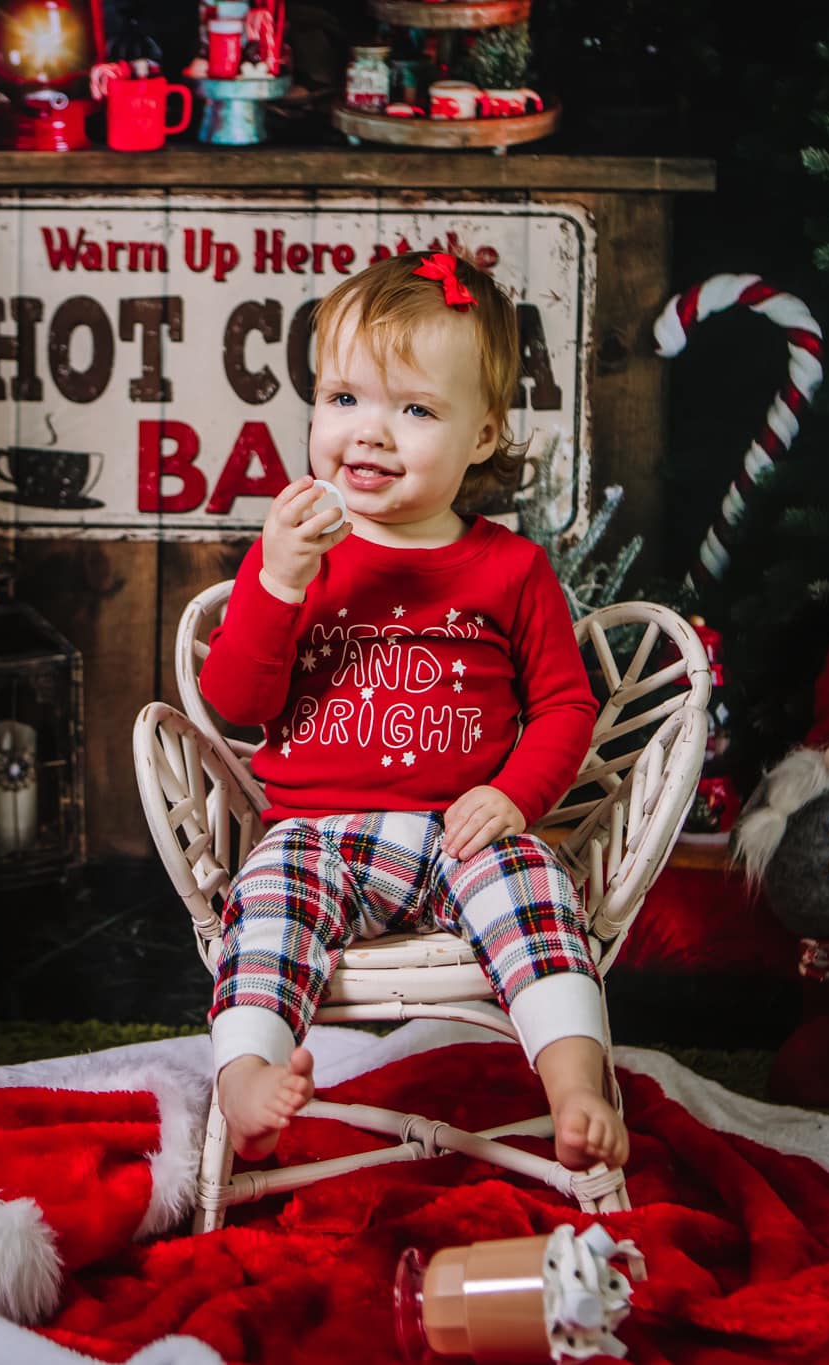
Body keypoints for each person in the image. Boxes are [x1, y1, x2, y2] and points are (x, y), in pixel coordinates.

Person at [198, 249, 622, 1173]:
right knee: (267, 901)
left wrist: (513, 797)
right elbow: (235, 704)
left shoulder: (510, 569)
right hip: (316, 827)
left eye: (415, 409)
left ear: (480, 436)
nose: (369, 434)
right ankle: (247, 1078)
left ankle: (574, 1080)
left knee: (534, 890)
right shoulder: (298, 557)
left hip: (457, 830)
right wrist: (274, 581)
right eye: (344, 399)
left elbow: (563, 704)